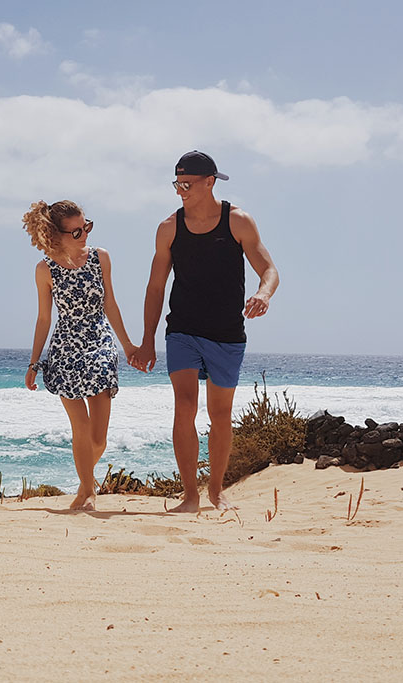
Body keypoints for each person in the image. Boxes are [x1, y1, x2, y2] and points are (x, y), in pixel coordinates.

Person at [130, 151, 279, 512]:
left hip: (227, 333)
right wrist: (148, 339)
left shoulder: (238, 221)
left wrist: (263, 294)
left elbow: (270, 269)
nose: (180, 190)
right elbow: (155, 288)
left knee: (220, 414)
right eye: (176, 183)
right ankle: (190, 496)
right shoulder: (168, 228)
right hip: (182, 329)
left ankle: (216, 490)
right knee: (184, 404)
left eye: (187, 184)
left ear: (209, 182)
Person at [23, 200, 139, 511]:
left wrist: (127, 346)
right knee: (81, 430)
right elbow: (44, 319)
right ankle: (88, 491)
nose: (84, 234)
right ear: (55, 234)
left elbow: (110, 304)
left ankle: (83, 483)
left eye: (86, 227)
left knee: (98, 440)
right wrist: (34, 363)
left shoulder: (101, 258)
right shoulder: (44, 269)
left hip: (99, 344)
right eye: (76, 231)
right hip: (65, 351)